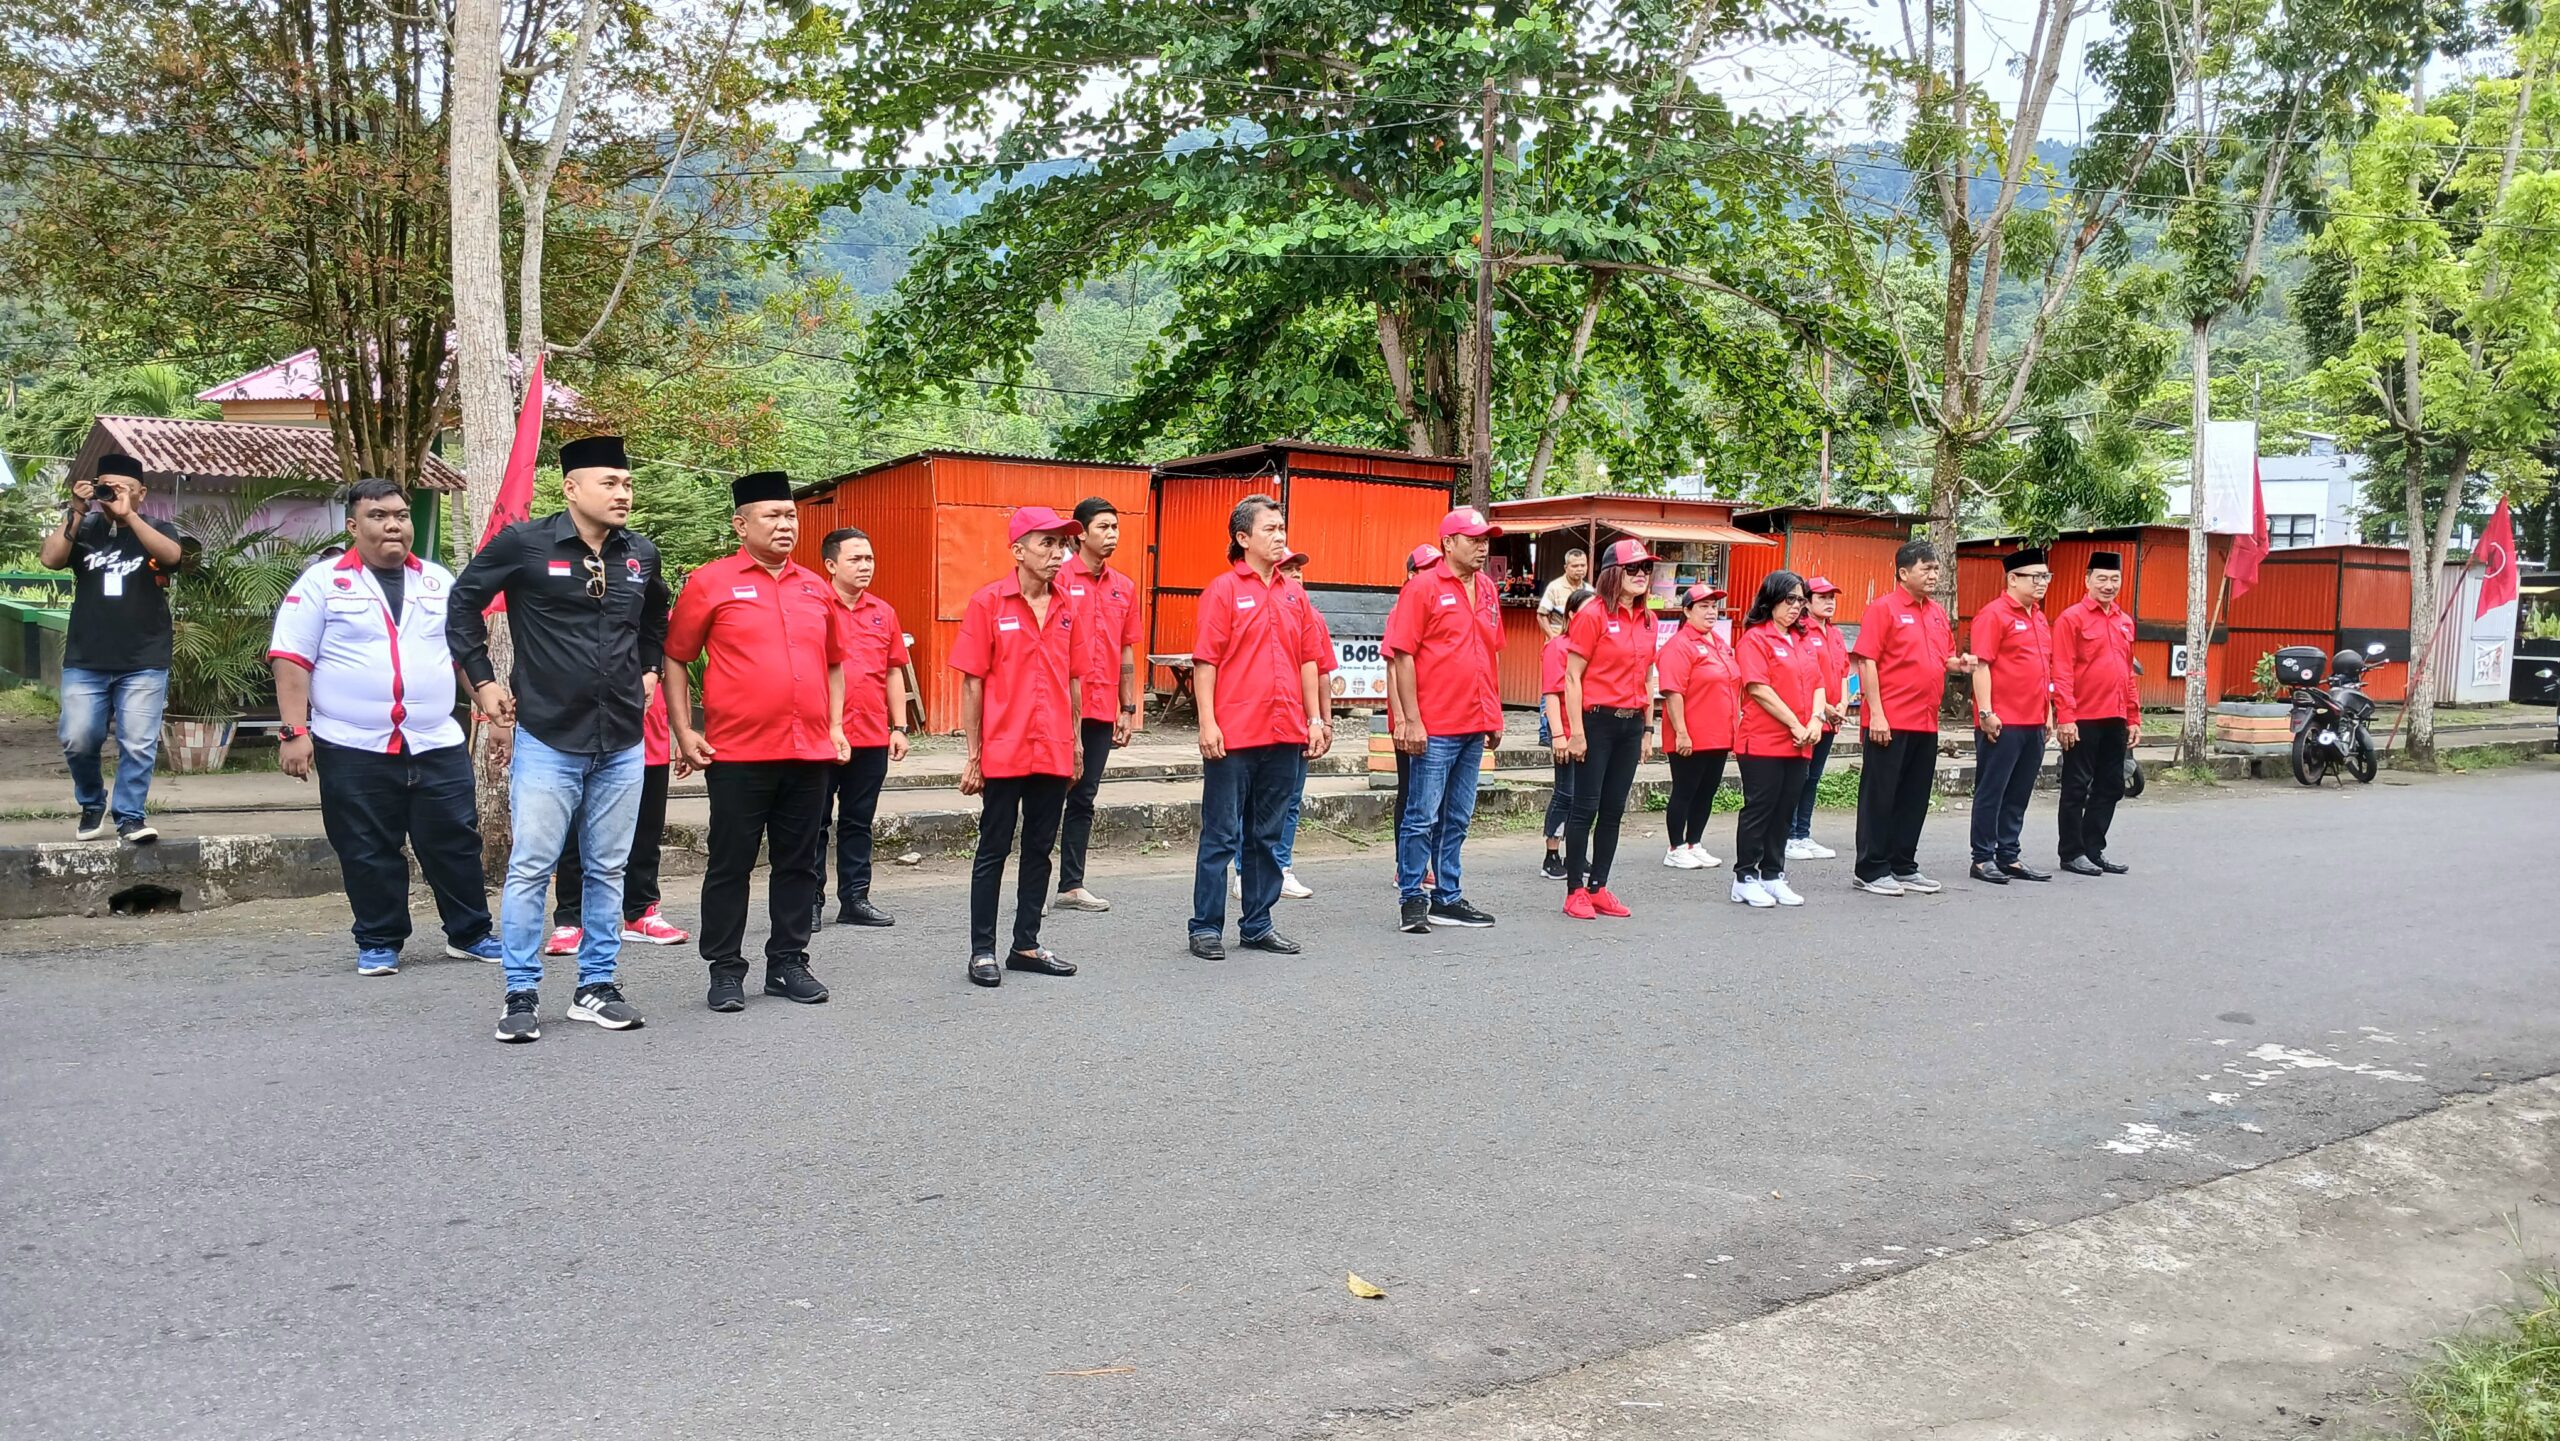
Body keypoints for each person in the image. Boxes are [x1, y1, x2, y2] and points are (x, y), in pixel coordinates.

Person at [450, 433, 665, 1044]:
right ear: (571, 488)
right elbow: (462, 606)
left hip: (621, 737)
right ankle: (520, 992)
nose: (623, 494)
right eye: (610, 483)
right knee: (531, 867)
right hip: (548, 736)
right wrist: (483, 682)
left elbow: (656, 616)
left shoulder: (640, 553)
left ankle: (596, 986)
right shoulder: (524, 544)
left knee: (608, 868)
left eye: (627, 484)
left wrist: (650, 669)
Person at [267, 477, 499, 975]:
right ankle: (379, 941)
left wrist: (488, 705)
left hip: (435, 740)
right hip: (352, 743)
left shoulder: (438, 582)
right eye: (378, 516)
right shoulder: (322, 583)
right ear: (353, 526)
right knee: (366, 846)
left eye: (401, 515)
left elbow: (462, 652)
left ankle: (471, 933)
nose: (393, 525)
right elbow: (291, 659)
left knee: (455, 841)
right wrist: (294, 731)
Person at [663, 470, 850, 1013]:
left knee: (799, 863)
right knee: (731, 864)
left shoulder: (815, 586)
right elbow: (676, 656)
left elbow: (834, 663)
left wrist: (835, 726)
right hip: (738, 754)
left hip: (808, 752)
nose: (786, 524)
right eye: (773, 515)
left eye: (791, 515)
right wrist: (684, 729)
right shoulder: (711, 582)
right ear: (741, 525)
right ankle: (725, 969)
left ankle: (788, 962)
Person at [1187, 497, 1331, 960]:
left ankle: (1258, 923)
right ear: (1243, 538)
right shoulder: (1224, 590)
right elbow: (1205, 662)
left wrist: (1315, 720)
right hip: (1234, 735)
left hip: (1284, 732)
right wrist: (1207, 723)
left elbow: (1309, 660)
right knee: (1222, 835)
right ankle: (1205, 927)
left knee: (1267, 836)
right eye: (1269, 528)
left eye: (1282, 527)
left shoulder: (1294, 594)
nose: (1280, 535)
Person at [950, 506, 1086, 988]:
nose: (1058, 553)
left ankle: (1026, 944)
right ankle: (982, 951)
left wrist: (1076, 745)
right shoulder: (988, 603)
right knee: (993, 849)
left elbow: (1073, 679)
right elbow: (972, 683)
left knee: (1040, 850)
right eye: (1047, 543)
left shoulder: (1068, 606)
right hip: (1004, 749)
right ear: (1018, 551)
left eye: (1062, 544)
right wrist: (973, 756)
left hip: (1053, 747)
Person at [40, 452, 185, 844]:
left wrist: (129, 516)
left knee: (137, 743)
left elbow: (172, 557)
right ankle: (92, 802)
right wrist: (76, 509)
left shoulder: (157, 528)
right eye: (106, 487)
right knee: (78, 738)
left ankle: (130, 817)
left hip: (144, 658)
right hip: (87, 658)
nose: (114, 494)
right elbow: (50, 559)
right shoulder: (84, 527)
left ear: (142, 493)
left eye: (123, 488)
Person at [1383, 506, 1504, 934]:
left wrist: (1494, 713)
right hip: (1435, 726)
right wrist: (1411, 720)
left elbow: (1489, 653)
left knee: (1458, 817)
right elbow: (1402, 655)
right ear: (1449, 543)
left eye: (1485, 540)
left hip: (1474, 722)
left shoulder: (1487, 589)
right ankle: (1412, 898)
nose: (1482, 547)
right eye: (1473, 540)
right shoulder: (1423, 588)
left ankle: (1448, 897)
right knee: (1421, 816)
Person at [1850, 541, 1977, 897]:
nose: (1934, 575)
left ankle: (1903, 864)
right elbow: (1867, 661)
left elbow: (1943, 659)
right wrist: (1876, 714)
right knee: (1880, 796)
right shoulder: (1883, 609)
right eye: (1926, 568)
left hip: (1925, 721)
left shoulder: (1936, 612)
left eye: (1936, 568)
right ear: (1904, 573)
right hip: (1890, 720)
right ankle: (1871, 869)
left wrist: (1959, 664)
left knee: (1914, 796)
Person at [544, 687, 689, 953]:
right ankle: (571, 918)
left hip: (651, 734)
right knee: (576, 833)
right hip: (589, 735)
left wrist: (684, 731)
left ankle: (640, 912)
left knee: (646, 833)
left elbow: (675, 673)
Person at [815, 526, 911, 928]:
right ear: (831, 565)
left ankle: (855, 898)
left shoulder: (882, 612)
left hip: (871, 734)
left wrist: (899, 727)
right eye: (855, 559)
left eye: (869, 558)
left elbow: (893, 671)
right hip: (821, 735)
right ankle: (808, 902)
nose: (865, 566)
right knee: (814, 822)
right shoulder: (815, 607)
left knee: (858, 820)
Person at [1557, 538, 1658, 920]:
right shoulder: (1593, 614)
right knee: (1585, 807)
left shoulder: (1649, 620)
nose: (1641, 575)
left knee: (1614, 809)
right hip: (1597, 722)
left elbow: (1647, 676)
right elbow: (1572, 677)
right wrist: (1576, 732)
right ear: (1613, 574)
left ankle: (1598, 886)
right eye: (1633, 568)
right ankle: (1575, 890)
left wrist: (1648, 729)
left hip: (1631, 724)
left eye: (1646, 568)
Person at [1053, 495, 1144, 914]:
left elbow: (1126, 649)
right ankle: (1033, 888)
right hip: (1058, 707)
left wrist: (1128, 707)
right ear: (1080, 534)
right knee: (1046, 796)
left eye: (1115, 527)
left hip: (1102, 708)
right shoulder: (1057, 578)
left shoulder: (1123, 587)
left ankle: (1072, 884)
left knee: (1084, 796)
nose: (1111, 535)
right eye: (1103, 527)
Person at [1731, 571, 1824, 908]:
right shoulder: (1755, 639)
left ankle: (1772, 874)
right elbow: (1758, 689)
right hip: (1764, 740)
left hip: (1800, 741)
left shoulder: (1803, 639)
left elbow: (1818, 684)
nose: (1796, 606)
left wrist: (1815, 719)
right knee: (1761, 808)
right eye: (1789, 599)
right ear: (1770, 600)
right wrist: (1795, 724)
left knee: (1785, 811)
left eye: (1801, 600)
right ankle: (1745, 877)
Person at [1969, 548, 2057, 885]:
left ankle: (2009, 854)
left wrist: (2048, 713)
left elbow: (2043, 670)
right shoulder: (1994, 615)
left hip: (2034, 720)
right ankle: (1982, 857)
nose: (2042, 582)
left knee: (2019, 792)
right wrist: (1986, 712)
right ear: (2013, 579)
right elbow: (1981, 665)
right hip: (2003, 720)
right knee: (1993, 790)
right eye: (2035, 576)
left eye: (2046, 576)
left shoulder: (2039, 618)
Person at [2053, 549, 2140, 876]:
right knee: (2076, 786)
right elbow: (2062, 670)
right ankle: (2071, 852)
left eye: (2114, 579)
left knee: (2112, 785)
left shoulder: (2124, 621)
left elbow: (2127, 672)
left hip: (2115, 716)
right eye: (2101, 578)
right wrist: (2066, 717)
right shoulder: (2071, 619)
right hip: (2083, 717)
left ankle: (2093, 849)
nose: (2108, 585)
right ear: (2087, 580)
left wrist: (2134, 716)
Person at [1657, 581, 1737, 871]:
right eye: (1703, 606)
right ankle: (1675, 847)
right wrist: (1681, 732)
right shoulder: (1679, 646)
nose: (1711, 612)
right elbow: (1673, 692)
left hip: (1719, 733)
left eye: (1714, 606)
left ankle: (1694, 843)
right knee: (1685, 789)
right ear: (1687, 611)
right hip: (1690, 733)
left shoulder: (1719, 644)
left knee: (1707, 791)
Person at [1271, 546, 1335, 898]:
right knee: (1259, 801)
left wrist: (1325, 721)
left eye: (1299, 568)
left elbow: (1322, 671)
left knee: (1292, 799)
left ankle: (1282, 867)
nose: (1296, 574)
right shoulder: (1266, 610)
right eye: (1288, 568)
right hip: (1268, 721)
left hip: (1302, 722)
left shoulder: (1313, 616)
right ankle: (1246, 870)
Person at [1388, 542, 1444, 886]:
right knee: (1411, 793)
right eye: (1426, 569)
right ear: (1411, 575)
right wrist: (1401, 719)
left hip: (1438, 716)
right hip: (1410, 718)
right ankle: (1405, 865)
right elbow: (1394, 667)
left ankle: (1428, 864)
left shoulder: (1442, 604)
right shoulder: (1402, 609)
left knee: (1435, 798)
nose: (1434, 574)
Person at [1786, 577, 1852, 862]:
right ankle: (1788, 835)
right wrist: (1825, 708)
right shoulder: (1800, 631)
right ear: (1808, 601)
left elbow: (1845, 672)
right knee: (1798, 776)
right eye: (1823, 597)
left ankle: (1803, 833)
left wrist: (1844, 703)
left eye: (1832, 597)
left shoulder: (1835, 633)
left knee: (1813, 778)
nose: (1829, 602)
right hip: (1810, 716)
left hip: (1832, 717)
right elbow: (1805, 678)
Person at [1536, 547, 1591, 638]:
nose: (1580, 569)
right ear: (1566, 568)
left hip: (1581, 642)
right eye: (1575, 566)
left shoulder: (1589, 590)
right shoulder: (1554, 587)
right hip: (1558, 641)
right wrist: (1552, 637)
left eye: (1583, 565)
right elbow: (1541, 615)